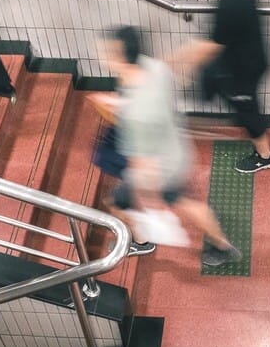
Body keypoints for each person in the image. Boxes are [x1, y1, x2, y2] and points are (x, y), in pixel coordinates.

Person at [94, 26, 242, 267]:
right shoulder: (154, 68)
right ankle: (221, 246)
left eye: (105, 53)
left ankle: (140, 242)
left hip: (161, 169)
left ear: (119, 56)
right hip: (176, 149)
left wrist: (150, 202)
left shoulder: (136, 115)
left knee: (116, 202)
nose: (101, 57)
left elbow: (141, 163)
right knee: (186, 199)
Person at [170, 0, 270, 174]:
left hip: (246, 68)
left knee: (247, 108)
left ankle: (265, 156)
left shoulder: (232, 4)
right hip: (243, 57)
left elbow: (211, 47)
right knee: (225, 92)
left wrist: (172, 61)